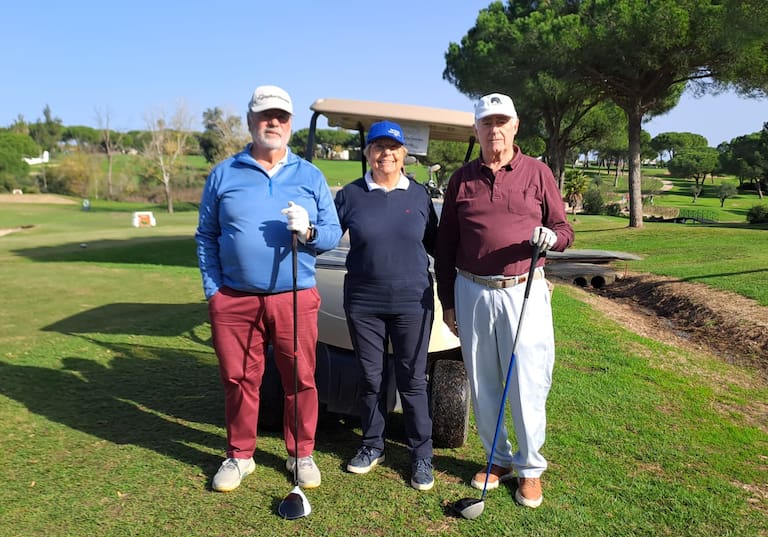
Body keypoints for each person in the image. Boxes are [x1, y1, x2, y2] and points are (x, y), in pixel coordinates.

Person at [195, 85, 342, 493]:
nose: (272, 123)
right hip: (234, 298)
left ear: (290, 124)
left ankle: (301, 453)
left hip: (295, 295)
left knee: (300, 377)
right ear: (250, 121)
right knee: (239, 379)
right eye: (265, 116)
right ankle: (240, 455)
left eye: (280, 117)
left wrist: (309, 231)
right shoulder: (224, 173)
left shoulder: (310, 175)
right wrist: (214, 291)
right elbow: (206, 235)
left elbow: (332, 233)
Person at [434, 93, 574, 508]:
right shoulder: (461, 179)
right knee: (483, 380)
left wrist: (552, 238)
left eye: (501, 122)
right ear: (476, 130)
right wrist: (448, 302)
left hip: (522, 288)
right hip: (471, 289)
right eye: (486, 123)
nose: (494, 129)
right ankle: (497, 459)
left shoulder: (538, 172)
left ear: (515, 126)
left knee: (527, 379)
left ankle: (530, 468)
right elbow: (446, 246)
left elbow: (564, 229)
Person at [334, 120, 438, 491]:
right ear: (368, 153)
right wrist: (305, 231)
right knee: (370, 376)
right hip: (364, 301)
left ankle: (421, 454)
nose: (386, 154)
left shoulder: (419, 195)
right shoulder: (350, 194)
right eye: (378, 147)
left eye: (393, 148)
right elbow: (326, 235)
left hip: (413, 301)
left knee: (413, 380)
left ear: (404, 154)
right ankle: (372, 444)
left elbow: (437, 244)